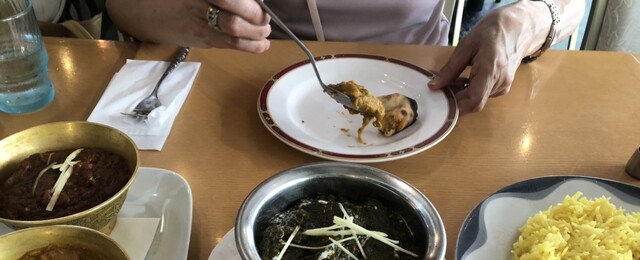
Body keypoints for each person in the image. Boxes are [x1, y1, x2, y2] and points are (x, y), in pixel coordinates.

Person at [103, 0, 586, 115]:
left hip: (434, 88)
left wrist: (525, 19)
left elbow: (571, 6)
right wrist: (192, 16)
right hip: (257, 89)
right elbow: (123, 8)